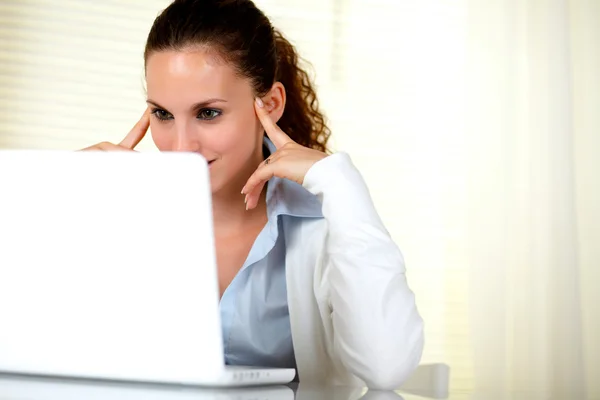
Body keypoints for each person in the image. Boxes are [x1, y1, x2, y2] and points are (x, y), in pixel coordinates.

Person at [82, 0, 424, 390]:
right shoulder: (126, 219)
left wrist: (339, 181)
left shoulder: (327, 223)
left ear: (270, 105)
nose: (180, 147)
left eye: (208, 113)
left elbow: (386, 369)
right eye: (162, 114)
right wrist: (63, 204)